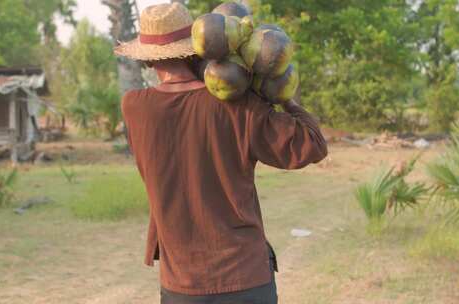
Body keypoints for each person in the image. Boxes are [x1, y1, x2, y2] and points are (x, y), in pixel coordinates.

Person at [115, 3, 328, 304]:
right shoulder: (238, 105)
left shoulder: (135, 107)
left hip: (181, 284)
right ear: (197, 51)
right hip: (246, 278)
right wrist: (285, 99)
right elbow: (312, 144)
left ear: (148, 61)